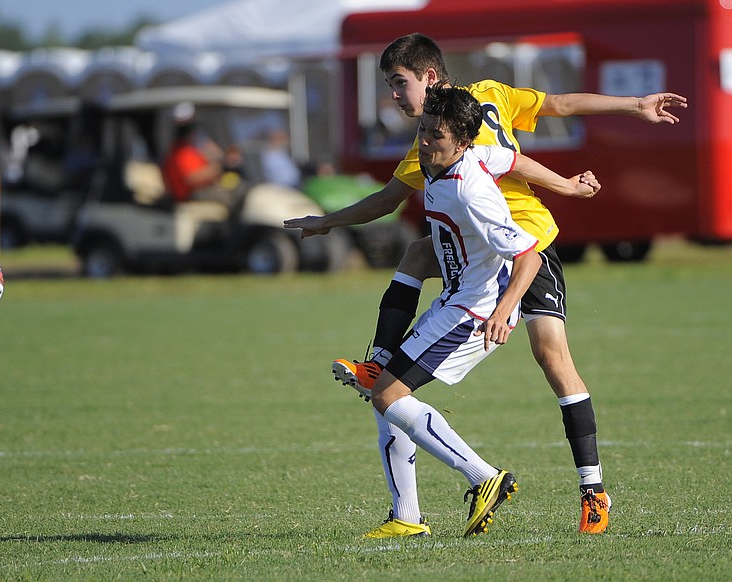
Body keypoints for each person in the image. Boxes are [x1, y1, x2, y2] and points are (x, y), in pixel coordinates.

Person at [285, 32, 687, 535]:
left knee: (553, 360)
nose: (392, 95)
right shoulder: (440, 138)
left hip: (524, 247)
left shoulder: (451, 150)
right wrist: (574, 177)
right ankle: (386, 392)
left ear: (430, 78)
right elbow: (511, 153)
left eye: (397, 83)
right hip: (483, 251)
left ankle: (592, 489)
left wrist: (629, 112)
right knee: (415, 259)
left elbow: (555, 107)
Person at [357, 81, 602, 538]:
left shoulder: (468, 192)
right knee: (385, 396)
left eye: (436, 136)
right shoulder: (461, 157)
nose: (426, 141)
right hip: (456, 301)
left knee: (388, 396)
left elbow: (527, 254)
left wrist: (503, 311)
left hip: (472, 311)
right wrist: (566, 184)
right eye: (424, 130)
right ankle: (407, 517)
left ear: (462, 142)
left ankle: (484, 477)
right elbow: (510, 158)